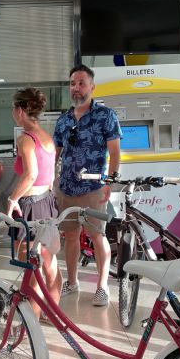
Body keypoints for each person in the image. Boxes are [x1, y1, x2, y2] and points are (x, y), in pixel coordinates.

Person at [53, 64, 122, 306]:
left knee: (97, 236)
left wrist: (109, 182)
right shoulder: (63, 120)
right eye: (73, 83)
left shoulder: (106, 116)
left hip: (94, 189)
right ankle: (72, 283)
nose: (76, 88)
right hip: (67, 189)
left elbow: (115, 153)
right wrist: (52, 180)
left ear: (92, 86)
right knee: (70, 237)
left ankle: (102, 287)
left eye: (81, 83)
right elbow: (55, 153)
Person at [7, 88, 62, 319]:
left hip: (30, 206)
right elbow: (49, 177)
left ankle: (32, 323)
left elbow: (30, 174)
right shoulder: (46, 137)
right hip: (47, 203)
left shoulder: (26, 139)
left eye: (13, 109)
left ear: (19, 111)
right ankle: (52, 314)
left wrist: (12, 200)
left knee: (31, 268)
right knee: (49, 264)